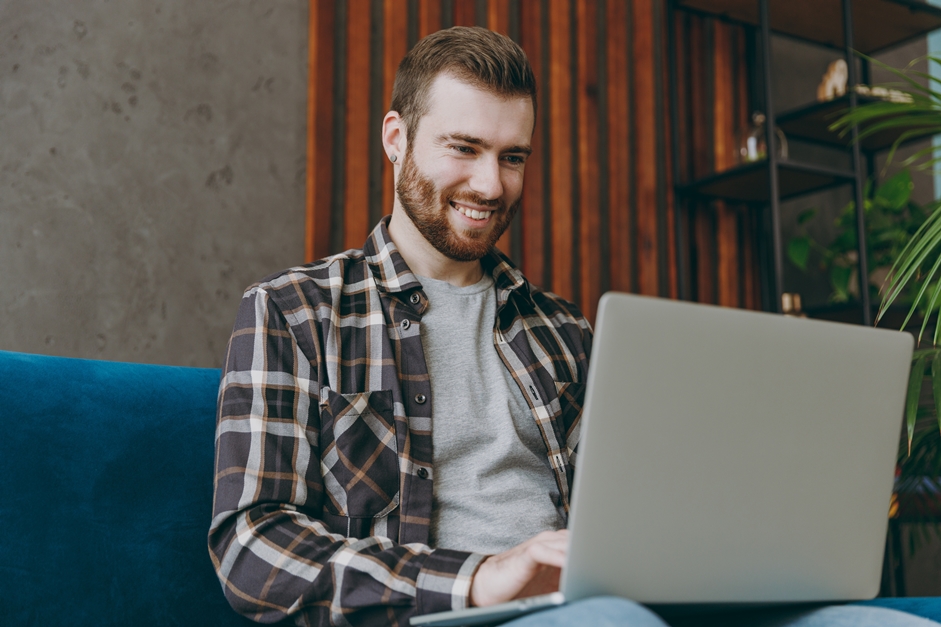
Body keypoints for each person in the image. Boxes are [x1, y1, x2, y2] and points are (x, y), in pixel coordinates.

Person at [208, 26, 935, 627]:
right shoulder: (293, 310)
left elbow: (639, 506)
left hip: (592, 601)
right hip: (437, 610)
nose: (491, 185)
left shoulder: (562, 329)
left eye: (511, 157)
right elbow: (251, 546)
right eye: (463, 148)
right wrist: (477, 580)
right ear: (395, 138)